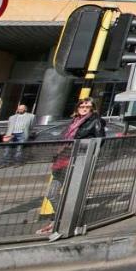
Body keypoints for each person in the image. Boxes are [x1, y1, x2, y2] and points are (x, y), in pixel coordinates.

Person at [37, 98, 106, 234]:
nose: (84, 108)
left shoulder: (95, 121)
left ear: (92, 109)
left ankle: (61, 222)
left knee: (70, 194)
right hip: (61, 160)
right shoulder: (73, 122)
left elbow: (99, 141)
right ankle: (60, 219)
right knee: (51, 194)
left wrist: (83, 148)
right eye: (82, 105)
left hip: (76, 161)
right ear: (77, 107)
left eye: (87, 106)